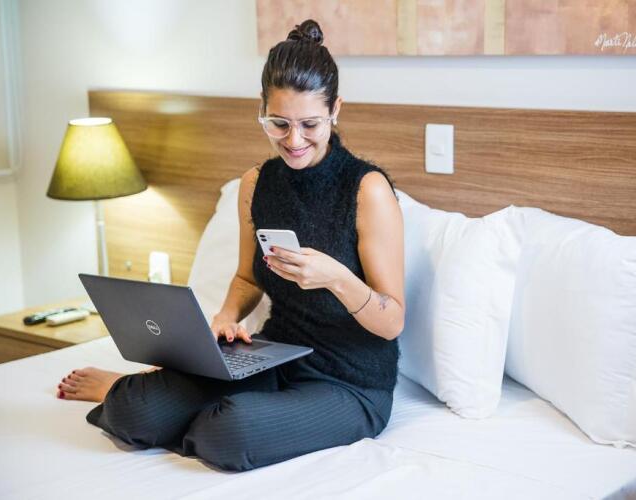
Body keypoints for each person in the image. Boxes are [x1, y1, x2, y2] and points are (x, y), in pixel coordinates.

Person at [56, 19, 405, 472]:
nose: (294, 140)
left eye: (310, 124)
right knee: (132, 411)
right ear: (262, 108)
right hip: (276, 357)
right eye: (278, 123)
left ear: (335, 109)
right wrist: (225, 317)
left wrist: (337, 278)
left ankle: (201, 414)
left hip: (350, 384)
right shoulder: (256, 184)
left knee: (229, 430)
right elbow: (247, 277)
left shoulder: (366, 190)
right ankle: (143, 396)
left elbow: (392, 321)